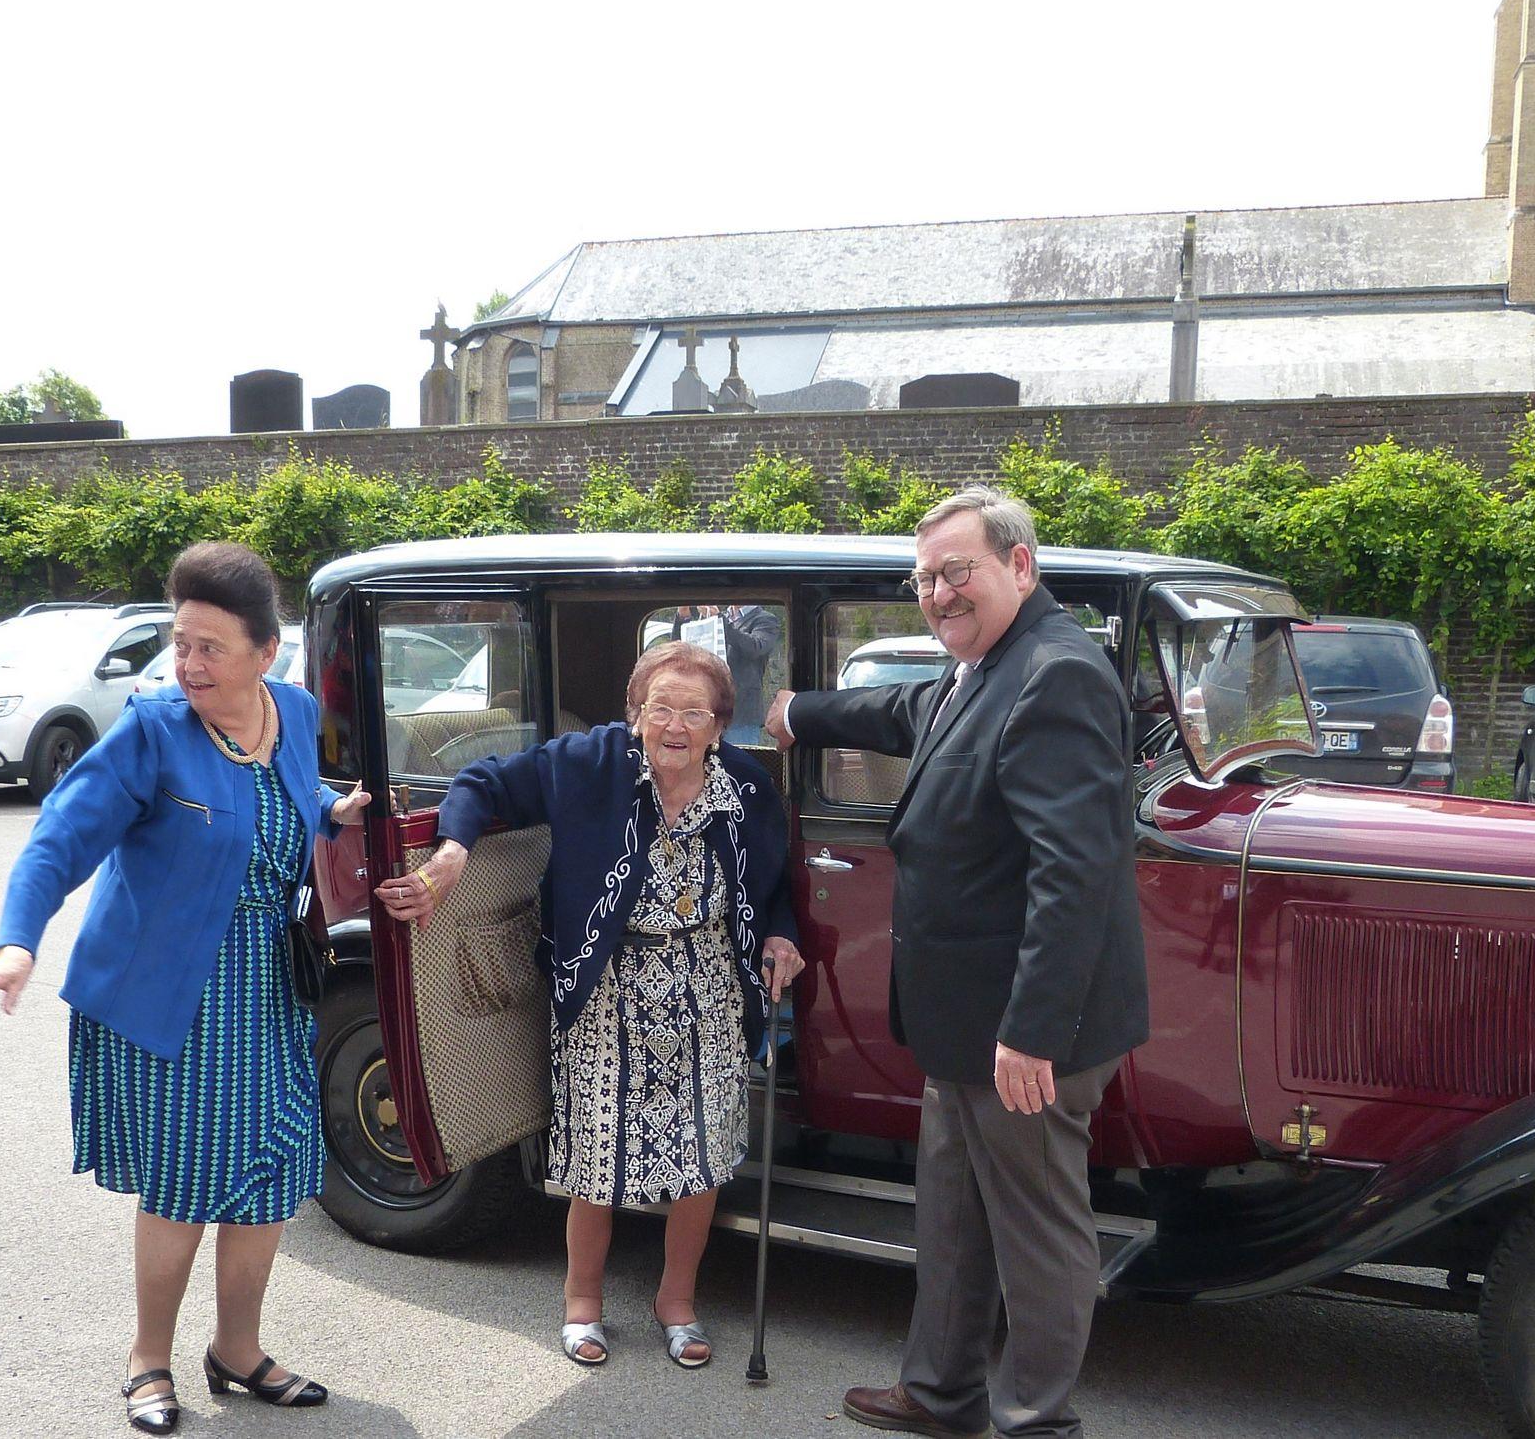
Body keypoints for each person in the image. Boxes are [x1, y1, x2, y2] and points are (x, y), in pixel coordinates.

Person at [0, 542, 372, 1435]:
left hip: (270, 985)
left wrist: (331, 808)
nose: (187, 664)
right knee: (185, 1182)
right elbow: (59, 838)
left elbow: (291, 786)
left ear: (266, 653)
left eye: (210, 647)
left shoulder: (293, 713)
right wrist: (14, 944)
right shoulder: (152, 730)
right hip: (172, 995)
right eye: (179, 643)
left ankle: (239, 1349)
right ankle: (149, 1355)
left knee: (270, 1174)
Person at [766, 485, 1149, 1439]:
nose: (937, 594)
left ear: (1021, 565)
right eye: (925, 578)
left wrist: (1032, 1031)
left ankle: (1033, 1421)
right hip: (960, 1024)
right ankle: (941, 1393)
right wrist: (798, 711)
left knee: (1036, 1235)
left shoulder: (1056, 673)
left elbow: (1077, 871)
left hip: (1021, 1031)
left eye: (956, 572)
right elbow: (909, 713)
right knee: (952, 1216)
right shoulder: (983, 666)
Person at [376, 640, 804, 1370]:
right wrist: (450, 855)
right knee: (598, 1154)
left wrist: (781, 938)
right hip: (606, 984)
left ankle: (677, 1300)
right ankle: (582, 1301)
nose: (674, 725)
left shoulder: (747, 787)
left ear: (718, 725)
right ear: (634, 713)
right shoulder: (587, 763)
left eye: (693, 712)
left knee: (700, 1157)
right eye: (658, 707)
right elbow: (482, 782)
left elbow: (771, 890)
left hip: (707, 987)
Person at [673, 603, 780, 742]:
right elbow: (680, 648)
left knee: (738, 761)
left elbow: (755, 647)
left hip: (741, 714)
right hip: (707, 709)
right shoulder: (719, 617)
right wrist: (683, 616)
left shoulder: (765, 619)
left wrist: (719, 620)